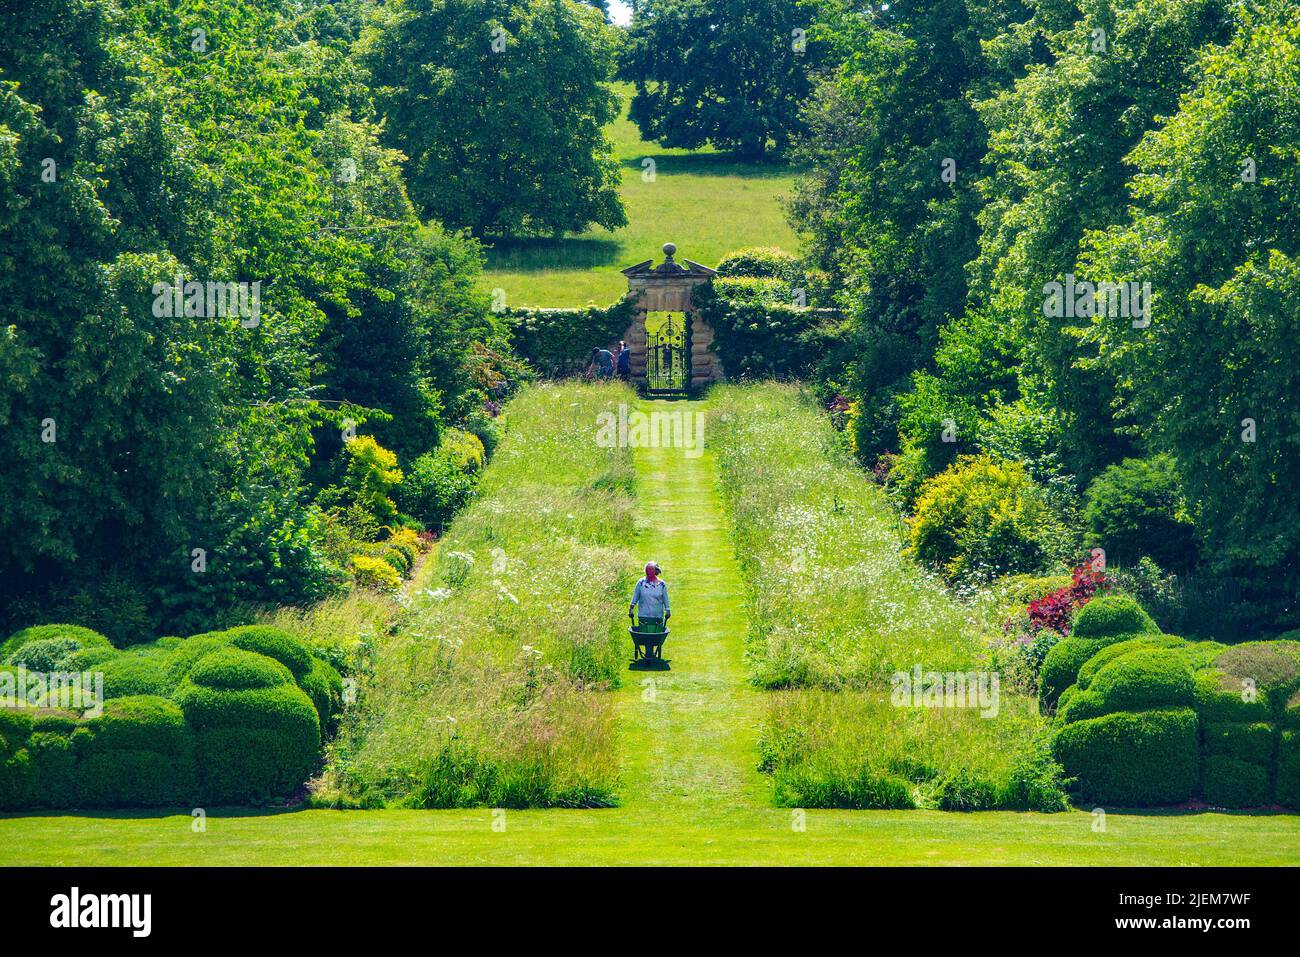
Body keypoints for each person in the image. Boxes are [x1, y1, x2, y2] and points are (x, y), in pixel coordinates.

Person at [629, 561, 670, 629]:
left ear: (655, 571)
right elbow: (635, 596)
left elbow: (665, 598)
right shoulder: (641, 583)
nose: (648, 572)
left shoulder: (661, 584)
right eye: (647, 570)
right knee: (644, 635)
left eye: (650, 570)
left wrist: (667, 610)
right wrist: (631, 608)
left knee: (656, 636)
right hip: (643, 615)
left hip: (657, 616)